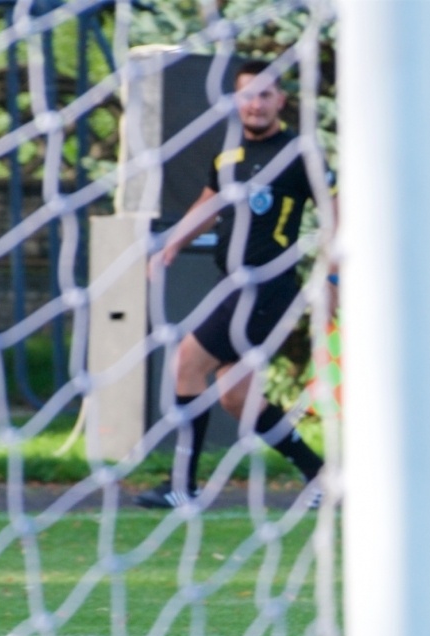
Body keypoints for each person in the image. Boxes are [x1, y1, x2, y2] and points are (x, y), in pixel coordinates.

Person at [138, 58, 328, 510]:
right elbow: (209, 203)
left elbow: (334, 209)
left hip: (268, 288)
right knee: (238, 398)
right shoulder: (228, 156)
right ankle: (321, 475)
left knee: (186, 362)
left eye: (264, 95)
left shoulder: (297, 154)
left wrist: (333, 272)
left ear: (280, 100)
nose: (255, 104)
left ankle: (182, 485)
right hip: (234, 286)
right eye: (247, 95)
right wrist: (171, 245)